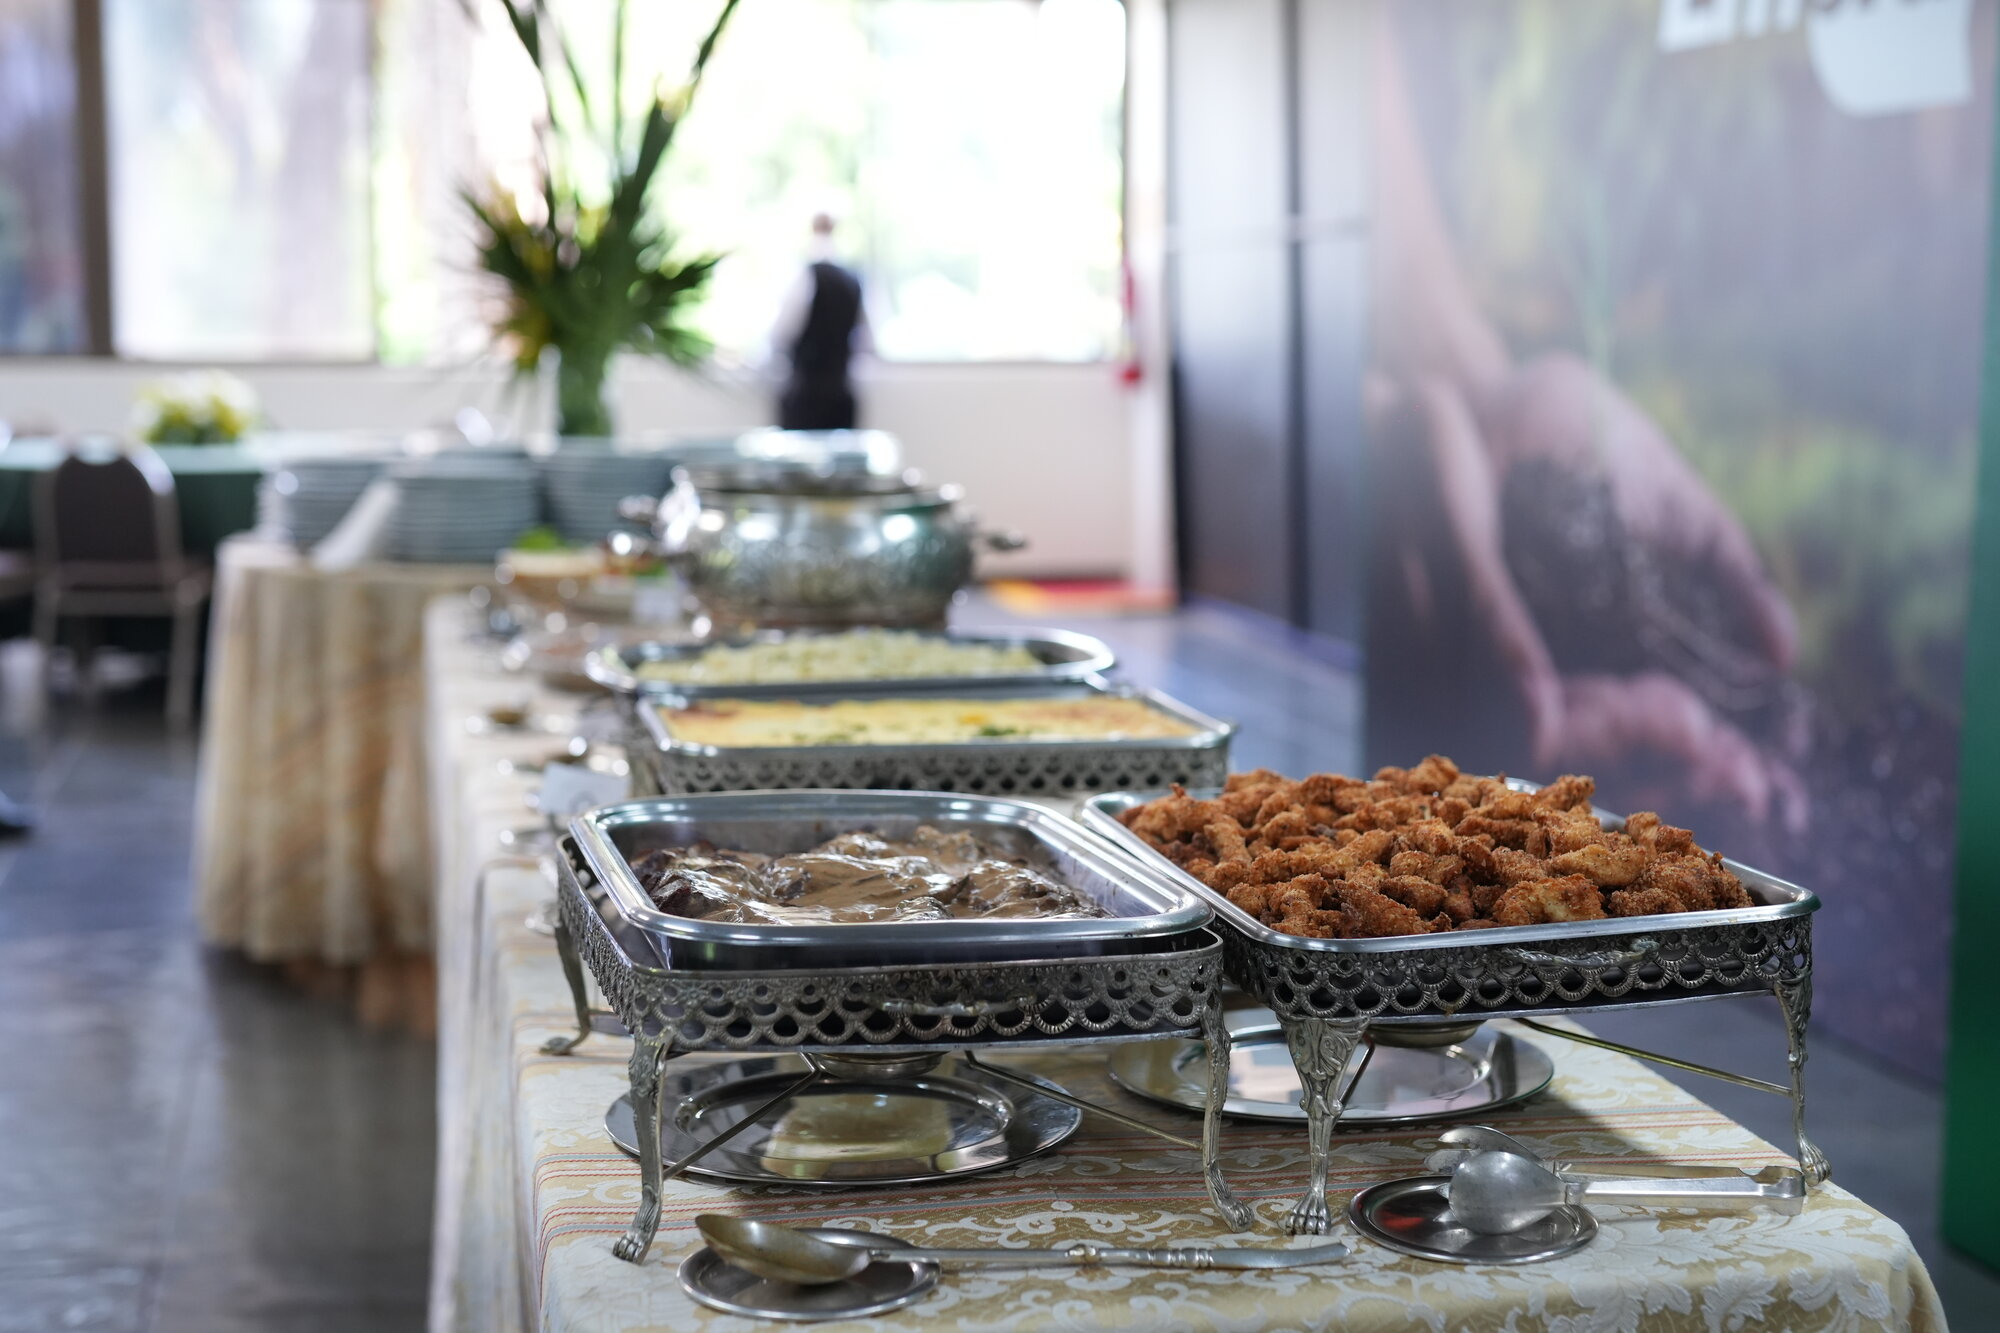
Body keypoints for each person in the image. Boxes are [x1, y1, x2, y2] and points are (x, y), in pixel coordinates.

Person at [771, 212, 870, 430]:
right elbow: (867, 340)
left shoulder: (804, 276)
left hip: (805, 395)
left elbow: (781, 334)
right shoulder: (854, 280)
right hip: (841, 393)